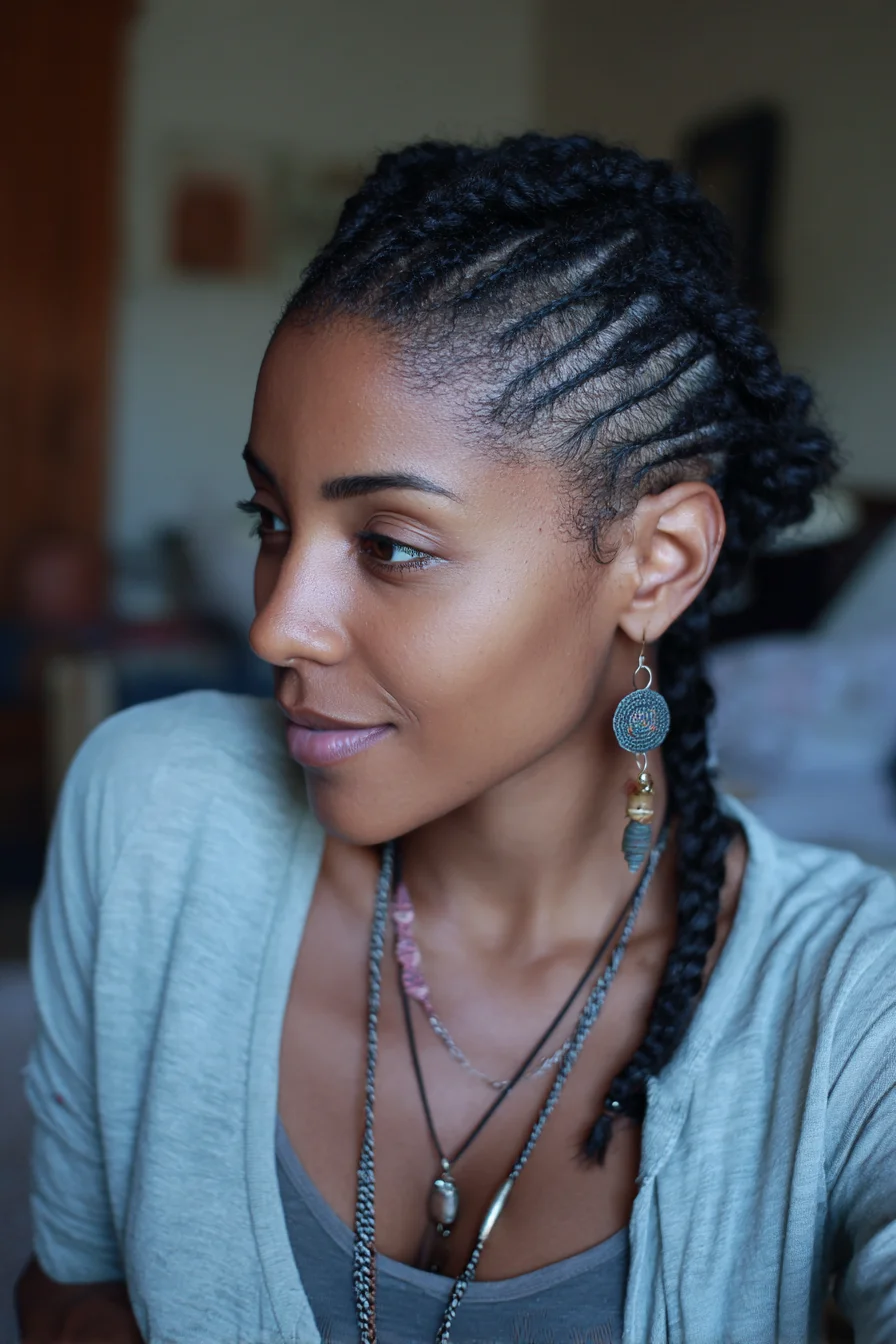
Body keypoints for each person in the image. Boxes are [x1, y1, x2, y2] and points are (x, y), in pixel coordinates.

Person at [15, 134, 896, 1344]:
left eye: (390, 545)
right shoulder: (154, 815)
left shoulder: (854, 1010)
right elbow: (68, 1288)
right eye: (269, 520)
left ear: (656, 563)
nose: (276, 625)